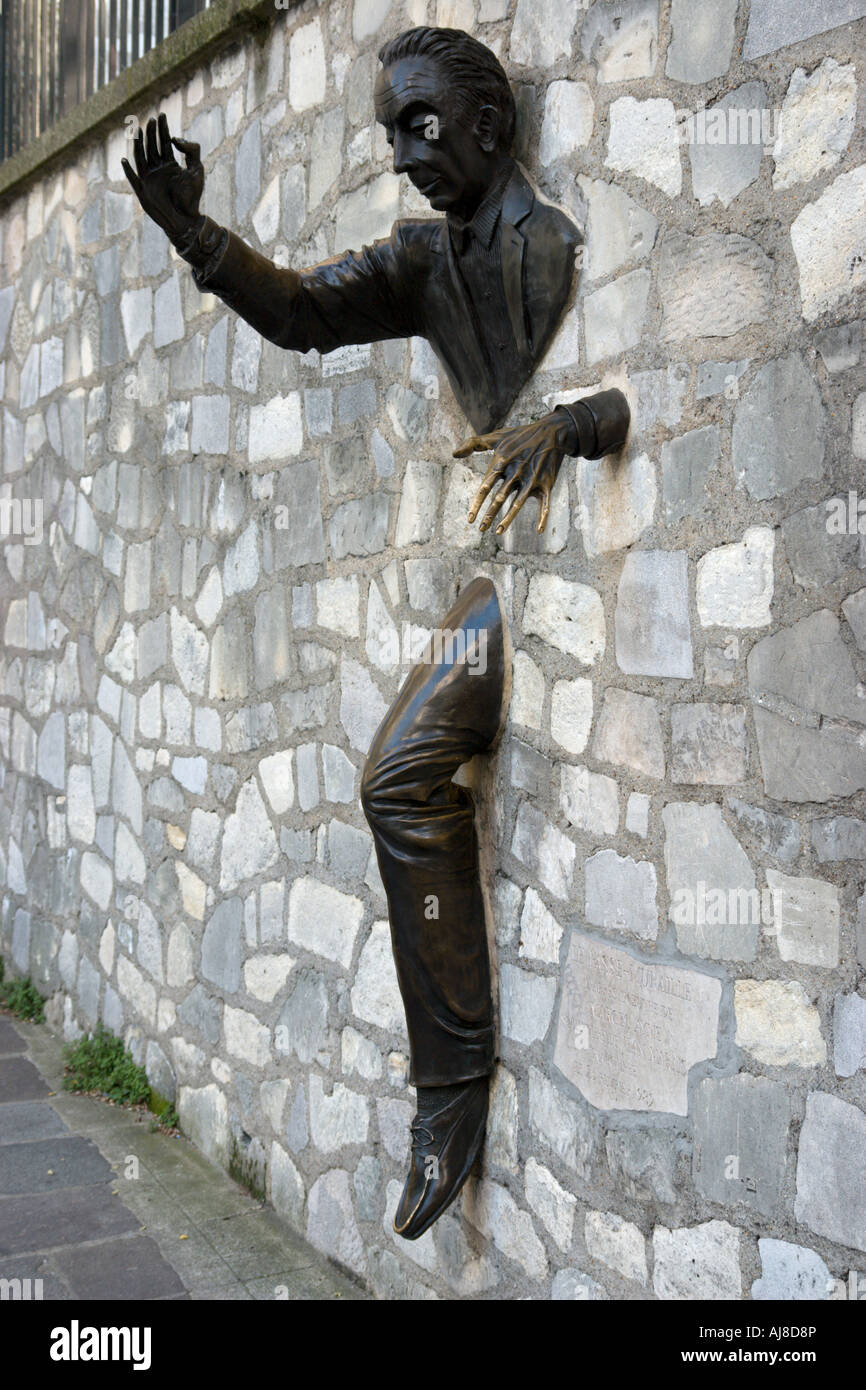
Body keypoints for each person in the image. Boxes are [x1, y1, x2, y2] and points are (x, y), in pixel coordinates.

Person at [123, 25, 629, 1239]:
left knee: (396, 780)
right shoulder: (419, 264)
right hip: (492, 593)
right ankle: (449, 1094)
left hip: (551, 596)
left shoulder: (550, 243)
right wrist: (195, 233)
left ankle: (448, 1094)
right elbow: (299, 311)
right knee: (397, 778)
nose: (402, 155)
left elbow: (624, 410)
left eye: (421, 127)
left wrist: (573, 420)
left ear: (491, 127)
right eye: (391, 133)